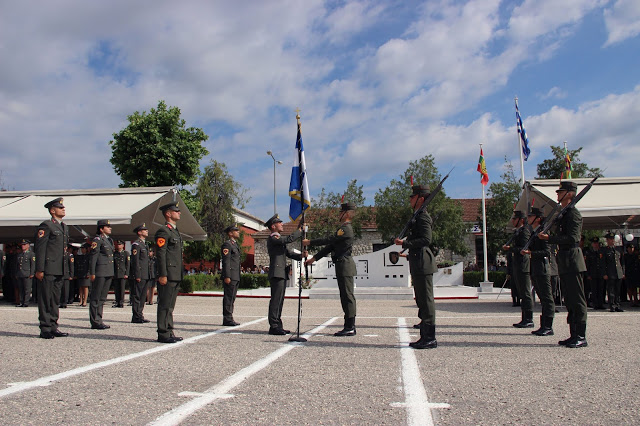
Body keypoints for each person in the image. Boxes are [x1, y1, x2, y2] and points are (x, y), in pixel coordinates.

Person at [538, 181, 588, 348]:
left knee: (577, 299)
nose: (557, 194)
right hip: (566, 261)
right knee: (569, 299)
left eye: (561, 191)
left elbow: (573, 238)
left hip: (573, 260)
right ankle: (573, 334)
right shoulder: (565, 213)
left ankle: (581, 335)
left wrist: (549, 239)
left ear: (569, 194)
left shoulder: (573, 214)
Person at [395, 185, 438, 349]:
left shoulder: (423, 217)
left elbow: (426, 239)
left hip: (422, 262)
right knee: (421, 299)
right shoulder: (417, 216)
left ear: (420, 198)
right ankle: (425, 335)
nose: (410, 199)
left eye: (412, 197)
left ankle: (429, 338)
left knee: (426, 301)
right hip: (417, 261)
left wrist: (405, 243)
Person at [305, 202, 358, 336]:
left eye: (341, 212)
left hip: (345, 264)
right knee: (344, 295)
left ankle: (350, 326)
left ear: (346, 214)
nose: (338, 214)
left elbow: (329, 240)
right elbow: (330, 247)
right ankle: (348, 325)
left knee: (347, 296)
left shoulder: (345, 229)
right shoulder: (342, 228)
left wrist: (310, 242)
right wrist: (314, 258)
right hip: (341, 264)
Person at [35, 197, 70, 339]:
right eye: (60, 207)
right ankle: (45, 328)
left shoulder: (64, 226)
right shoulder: (46, 225)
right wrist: (39, 269)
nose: (63, 209)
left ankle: (54, 326)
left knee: (55, 299)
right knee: (45, 298)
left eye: (63, 207)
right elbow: (40, 248)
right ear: (52, 210)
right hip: (48, 268)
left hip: (60, 268)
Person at [265, 214, 304, 335]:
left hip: (281, 272)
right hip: (276, 273)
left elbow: (288, 253)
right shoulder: (273, 238)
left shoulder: (279, 240)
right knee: (276, 300)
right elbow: (288, 239)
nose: (282, 224)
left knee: (280, 300)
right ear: (273, 226)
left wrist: (301, 256)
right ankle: (274, 326)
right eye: (279, 223)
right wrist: (299, 231)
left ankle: (278, 324)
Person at [522, 208, 555, 336]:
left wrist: (531, 253)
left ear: (538, 218)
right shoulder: (534, 232)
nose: (528, 219)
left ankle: (548, 326)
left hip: (543, 268)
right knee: (542, 297)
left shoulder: (543, 232)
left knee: (547, 298)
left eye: (531, 216)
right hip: (536, 268)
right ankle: (544, 325)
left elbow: (546, 252)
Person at [155, 201, 184, 343]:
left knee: (170, 306)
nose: (179, 213)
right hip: (168, 274)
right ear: (168, 213)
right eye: (176, 211)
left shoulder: (175, 231)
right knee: (164, 304)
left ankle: (169, 330)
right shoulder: (163, 231)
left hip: (175, 273)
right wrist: (163, 274)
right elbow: (161, 254)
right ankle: (163, 332)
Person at [504, 211, 534, 328]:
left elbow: (524, 248)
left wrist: (510, 248)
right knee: (522, 292)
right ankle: (524, 317)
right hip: (518, 264)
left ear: (521, 220)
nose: (512, 221)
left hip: (523, 264)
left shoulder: (525, 231)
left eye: (515, 219)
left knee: (526, 292)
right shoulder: (519, 231)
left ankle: (528, 318)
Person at [89, 219, 115, 330]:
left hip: (108, 271)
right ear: (101, 229)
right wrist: (92, 272)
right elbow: (93, 257)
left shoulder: (109, 240)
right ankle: (95, 321)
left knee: (102, 298)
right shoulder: (97, 240)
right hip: (100, 271)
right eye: (107, 226)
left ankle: (99, 319)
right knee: (96, 297)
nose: (110, 228)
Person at [129, 224, 151, 323]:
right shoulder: (136, 245)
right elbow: (135, 261)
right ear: (139, 232)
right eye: (144, 230)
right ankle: (136, 316)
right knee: (137, 295)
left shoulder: (145, 244)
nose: (146, 231)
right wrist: (137, 275)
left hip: (145, 274)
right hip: (140, 274)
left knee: (143, 296)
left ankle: (140, 315)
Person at [221, 224, 241, 326]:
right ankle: (227, 319)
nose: (238, 232)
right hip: (231, 275)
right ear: (230, 233)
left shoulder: (235, 245)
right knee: (229, 297)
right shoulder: (227, 245)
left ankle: (230, 317)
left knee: (232, 297)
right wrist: (227, 276)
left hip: (235, 275)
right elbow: (226, 262)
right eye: (236, 230)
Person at [602, 233, 624, 312]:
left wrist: (623, 272)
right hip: (610, 273)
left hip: (618, 273)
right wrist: (604, 273)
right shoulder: (605, 250)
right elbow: (603, 263)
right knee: (611, 290)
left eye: (613, 239)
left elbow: (622, 262)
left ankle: (617, 305)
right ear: (607, 240)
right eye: (610, 239)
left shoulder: (618, 249)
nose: (612, 240)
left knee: (618, 290)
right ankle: (612, 305)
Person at [585, 237, 604, 309]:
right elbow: (587, 264)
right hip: (593, 274)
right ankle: (595, 304)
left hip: (600, 273)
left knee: (601, 289)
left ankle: (601, 304)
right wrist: (588, 274)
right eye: (594, 243)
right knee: (594, 290)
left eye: (596, 243)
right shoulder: (589, 253)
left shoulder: (601, 251)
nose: (595, 245)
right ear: (592, 244)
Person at [16, 239, 35, 307]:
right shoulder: (20, 254)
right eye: (22, 245)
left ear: (28, 245)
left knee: (27, 289)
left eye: (24, 245)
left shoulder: (31, 254)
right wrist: (17, 273)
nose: (23, 246)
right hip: (20, 273)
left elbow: (33, 264)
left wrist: (32, 273)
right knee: (21, 289)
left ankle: (26, 302)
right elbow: (17, 265)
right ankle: (21, 302)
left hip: (27, 274)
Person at [112, 240, 130, 308]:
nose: (118, 246)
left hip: (123, 273)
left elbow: (127, 265)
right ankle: (117, 302)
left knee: (122, 289)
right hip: (116, 273)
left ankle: (121, 302)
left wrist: (127, 274)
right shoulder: (115, 253)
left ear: (123, 245)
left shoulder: (126, 253)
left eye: (120, 244)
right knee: (116, 289)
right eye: (118, 244)